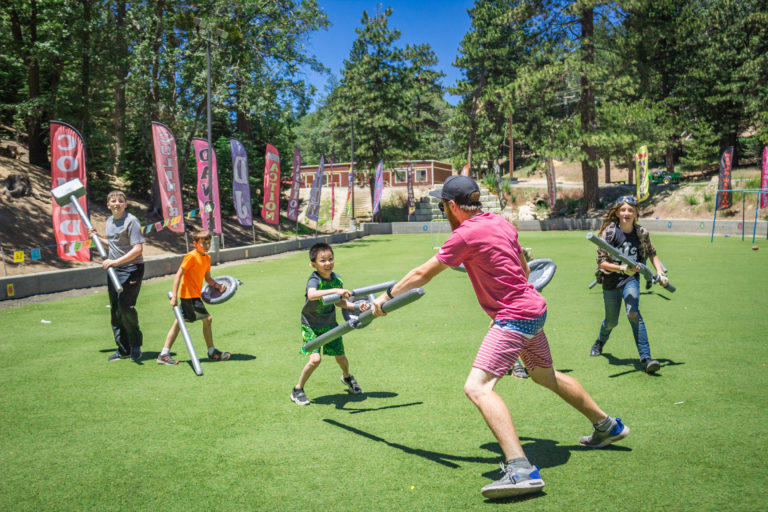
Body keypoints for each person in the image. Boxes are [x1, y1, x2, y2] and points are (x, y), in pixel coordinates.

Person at [371, 175, 628, 500]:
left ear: (452, 206)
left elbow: (424, 273)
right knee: (545, 376)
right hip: (534, 309)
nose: (443, 212)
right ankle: (607, 426)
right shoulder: (501, 224)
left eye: (442, 206)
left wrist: (386, 297)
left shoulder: (463, 235)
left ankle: (520, 469)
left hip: (514, 317)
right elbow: (524, 267)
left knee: (477, 387)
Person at [590, 195, 669, 373]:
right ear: (617, 212)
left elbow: (652, 253)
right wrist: (622, 268)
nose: (627, 213)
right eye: (623, 210)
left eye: (630, 210)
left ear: (635, 213)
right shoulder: (608, 233)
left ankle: (646, 358)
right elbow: (601, 263)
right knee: (611, 322)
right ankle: (600, 341)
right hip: (611, 281)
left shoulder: (641, 233)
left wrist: (661, 273)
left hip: (631, 279)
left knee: (633, 313)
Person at [291, 242, 369, 406]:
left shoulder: (337, 279)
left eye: (330, 259)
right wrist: (336, 291)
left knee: (340, 356)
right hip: (311, 325)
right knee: (315, 360)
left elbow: (339, 303)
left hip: (330, 323)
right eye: (323, 260)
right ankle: (297, 390)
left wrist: (355, 306)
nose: (328, 263)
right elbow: (312, 295)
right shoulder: (314, 279)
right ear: (314, 264)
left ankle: (347, 377)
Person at [158, 229, 230, 365]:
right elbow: (178, 275)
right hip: (188, 296)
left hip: (195, 295)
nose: (206, 245)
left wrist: (217, 285)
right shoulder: (191, 256)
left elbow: (207, 278)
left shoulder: (207, 258)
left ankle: (164, 354)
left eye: (208, 243)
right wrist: (174, 297)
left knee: (179, 322)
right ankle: (212, 351)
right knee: (207, 319)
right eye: (203, 243)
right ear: (195, 243)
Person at [89, 190, 145, 362]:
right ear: (108, 205)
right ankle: (123, 349)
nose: (116, 203)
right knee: (115, 310)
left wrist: (114, 262)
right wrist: (97, 238)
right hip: (115, 270)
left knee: (125, 308)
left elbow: (137, 249)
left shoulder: (131, 221)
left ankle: (135, 346)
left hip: (131, 268)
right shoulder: (109, 221)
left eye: (120, 201)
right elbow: (112, 245)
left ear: (125, 204)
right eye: (113, 201)